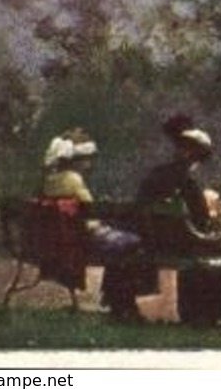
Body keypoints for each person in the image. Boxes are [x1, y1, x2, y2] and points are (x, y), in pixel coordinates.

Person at [131, 113, 221, 327]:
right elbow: (201, 220)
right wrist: (212, 212)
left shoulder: (155, 174)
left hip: (155, 240)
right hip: (183, 240)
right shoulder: (187, 181)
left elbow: (141, 205)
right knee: (216, 249)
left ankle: (196, 311)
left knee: (199, 244)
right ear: (192, 156)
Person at [38, 128, 143, 322]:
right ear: (76, 159)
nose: (90, 163)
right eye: (87, 158)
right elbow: (92, 208)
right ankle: (122, 303)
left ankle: (116, 300)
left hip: (64, 235)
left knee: (123, 240)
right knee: (133, 242)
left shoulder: (50, 180)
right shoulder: (73, 179)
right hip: (83, 237)